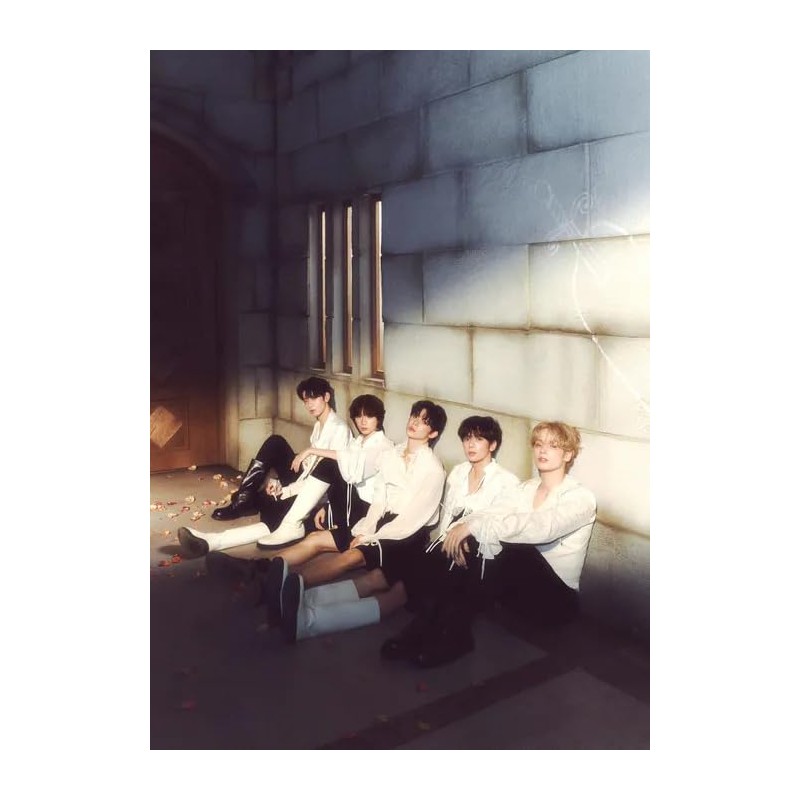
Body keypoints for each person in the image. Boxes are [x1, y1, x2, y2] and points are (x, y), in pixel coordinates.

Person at [268, 413, 520, 644]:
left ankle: (309, 622)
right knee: (380, 579)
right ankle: (299, 602)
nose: (471, 445)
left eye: (479, 439)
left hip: (470, 560)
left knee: (397, 593)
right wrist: (447, 536)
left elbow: (501, 520)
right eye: (467, 438)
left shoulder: (505, 481)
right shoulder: (459, 473)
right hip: (438, 548)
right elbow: (445, 521)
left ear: (493, 445)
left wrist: (467, 530)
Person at [381, 420, 597, 668]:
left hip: (555, 601)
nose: (543, 451)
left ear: (568, 454)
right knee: (474, 540)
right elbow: (492, 511)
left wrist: (474, 529)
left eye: (553, 446)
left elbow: (541, 527)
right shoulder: (525, 489)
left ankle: (451, 635)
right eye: (538, 444)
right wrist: (462, 527)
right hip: (517, 591)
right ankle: (426, 629)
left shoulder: (581, 498)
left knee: (504, 545)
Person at [274, 400, 448, 644]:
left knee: (356, 560)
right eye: (414, 417)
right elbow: (379, 499)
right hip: (381, 523)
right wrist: (367, 527)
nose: (415, 423)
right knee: (370, 575)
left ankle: (290, 589)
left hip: (408, 533)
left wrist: (372, 537)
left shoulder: (433, 469)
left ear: (433, 433)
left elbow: (413, 518)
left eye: (424, 421)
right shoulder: (392, 454)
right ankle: (290, 596)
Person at [177, 376, 351, 557]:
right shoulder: (319, 426)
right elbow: (309, 468)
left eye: (314, 398)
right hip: (305, 483)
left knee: (273, 512)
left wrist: (292, 490)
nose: (309, 405)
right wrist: (279, 482)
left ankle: (213, 541)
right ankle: (239, 505)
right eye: (306, 401)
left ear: (326, 397)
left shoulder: (339, 429)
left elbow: (330, 474)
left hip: (318, 497)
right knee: (275, 446)